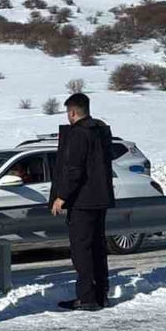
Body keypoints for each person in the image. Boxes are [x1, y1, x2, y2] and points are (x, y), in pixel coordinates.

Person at [50, 93, 115, 311]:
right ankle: (101, 295)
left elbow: (74, 169)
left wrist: (62, 196)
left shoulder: (78, 134)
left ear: (72, 112)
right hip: (101, 199)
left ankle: (86, 297)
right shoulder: (101, 130)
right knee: (98, 248)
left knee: (82, 250)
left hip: (83, 201)